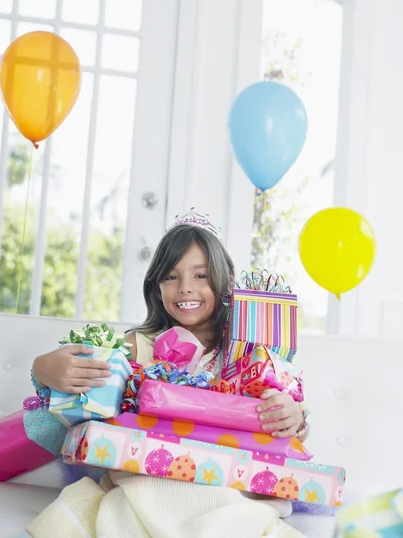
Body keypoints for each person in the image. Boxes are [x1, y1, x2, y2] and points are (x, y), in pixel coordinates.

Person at [29, 210, 307, 538]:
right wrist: (43, 370)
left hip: (227, 487)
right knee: (138, 496)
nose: (185, 288)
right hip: (149, 479)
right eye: (171, 277)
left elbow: (293, 431)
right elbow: (89, 388)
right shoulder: (139, 346)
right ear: (156, 286)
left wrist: (292, 418)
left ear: (226, 282)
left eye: (201, 276)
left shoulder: (249, 353)